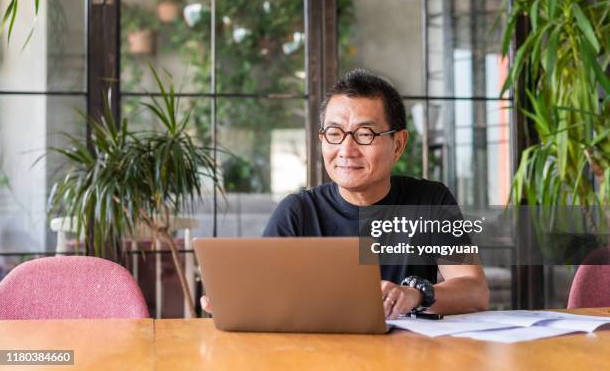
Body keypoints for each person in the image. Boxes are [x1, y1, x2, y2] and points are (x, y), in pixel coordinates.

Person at [202, 69, 489, 319]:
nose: (346, 150)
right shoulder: (298, 212)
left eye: (365, 134)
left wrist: (415, 295)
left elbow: (474, 291)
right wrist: (236, 302)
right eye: (335, 133)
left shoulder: (429, 201)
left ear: (398, 145)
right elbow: (265, 294)